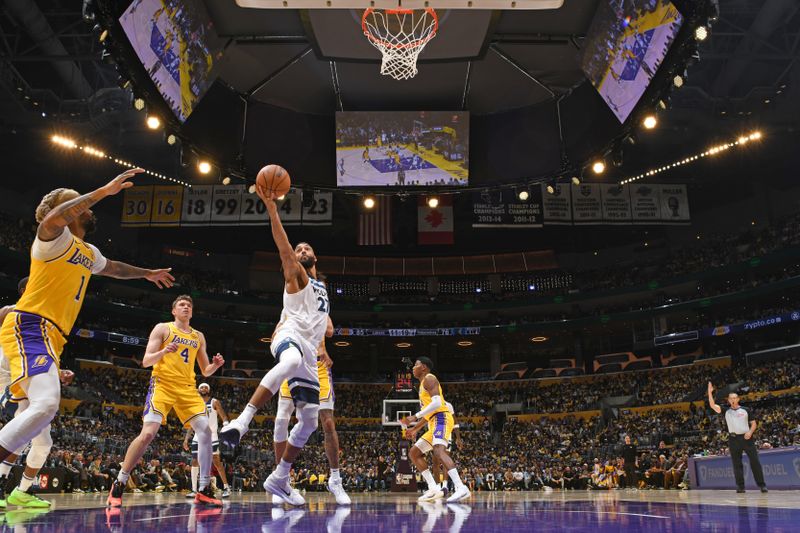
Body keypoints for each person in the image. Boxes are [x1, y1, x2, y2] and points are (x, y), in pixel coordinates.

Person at [0, 169, 174, 474]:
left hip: (52, 337)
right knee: (45, 404)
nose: (86, 208)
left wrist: (146, 273)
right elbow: (54, 217)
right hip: (30, 324)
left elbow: (115, 269)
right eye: (77, 204)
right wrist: (103, 191)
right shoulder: (52, 239)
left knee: (40, 411)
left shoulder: (88, 251)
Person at [219, 183, 330, 507]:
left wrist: (324, 344)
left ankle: (280, 477)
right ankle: (241, 421)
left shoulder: (322, 287)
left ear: (315, 256)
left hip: (310, 349)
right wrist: (271, 208)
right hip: (288, 336)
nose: (301, 250)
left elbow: (324, 321)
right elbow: (283, 248)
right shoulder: (295, 275)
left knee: (310, 420)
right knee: (291, 362)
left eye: (306, 248)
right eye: (297, 250)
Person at [107, 296, 225, 507]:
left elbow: (205, 371)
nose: (186, 307)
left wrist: (215, 365)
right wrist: (164, 350)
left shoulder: (198, 336)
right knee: (148, 434)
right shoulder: (163, 329)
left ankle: (204, 488)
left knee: (205, 431)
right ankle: (120, 481)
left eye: (189, 305)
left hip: (187, 389)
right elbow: (146, 361)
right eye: (182, 305)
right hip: (162, 385)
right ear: (173, 311)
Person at [272, 330, 351, 505]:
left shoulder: (320, 305)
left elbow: (329, 329)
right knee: (280, 420)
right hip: (293, 365)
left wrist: (322, 346)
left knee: (328, 423)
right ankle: (281, 480)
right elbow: (274, 338)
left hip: (318, 367)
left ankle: (335, 480)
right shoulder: (289, 309)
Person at [402, 357, 470, 503]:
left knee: (439, 451)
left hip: (442, 418)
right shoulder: (421, 385)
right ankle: (433, 488)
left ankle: (461, 488)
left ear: (424, 367)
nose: (413, 367)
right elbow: (428, 414)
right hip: (433, 421)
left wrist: (415, 417)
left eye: (416, 365)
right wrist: (415, 429)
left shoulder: (429, 378)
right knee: (414, 453)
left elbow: (438, 403)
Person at [707, 382, 768, 493]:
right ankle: (740, 487)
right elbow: (712, 405)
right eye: (731, 398)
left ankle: (762, 485)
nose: (733, 400)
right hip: (733, 439)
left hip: (747, 438)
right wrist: (710, 393)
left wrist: (750, 432)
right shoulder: (726, 411)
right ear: (728, 400)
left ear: (738, 399)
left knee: (755, 462)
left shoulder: (746, 410)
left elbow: (754, 423)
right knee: (737, 464)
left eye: (735, 398)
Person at [183, 383, 231, 498]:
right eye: (201, 387)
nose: (203, 389)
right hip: (197, 436)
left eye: (206, 387)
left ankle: (226, 487)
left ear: (208, 390)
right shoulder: (195, 404)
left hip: (212, 435)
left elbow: (223, 415)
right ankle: (194, 490)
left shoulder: (214, 402)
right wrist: (186, 439)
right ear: (198, 390)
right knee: (194, 461)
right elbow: (191, 423)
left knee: (216, 462)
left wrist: (226, 424)